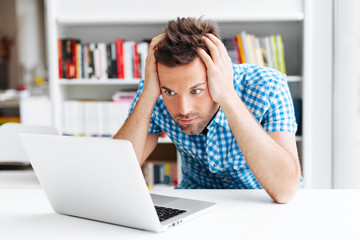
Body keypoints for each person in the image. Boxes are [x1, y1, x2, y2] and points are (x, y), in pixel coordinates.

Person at [113, 17, 302, 204]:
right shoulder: (153, 90)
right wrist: (148, 95)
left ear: (216, 76)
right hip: (195, 199)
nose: (184, 109)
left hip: (261, 201)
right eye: (169, 92)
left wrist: (228, 95)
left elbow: (284, 191)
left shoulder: (268, 86)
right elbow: (116, 172)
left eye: (196, 90)